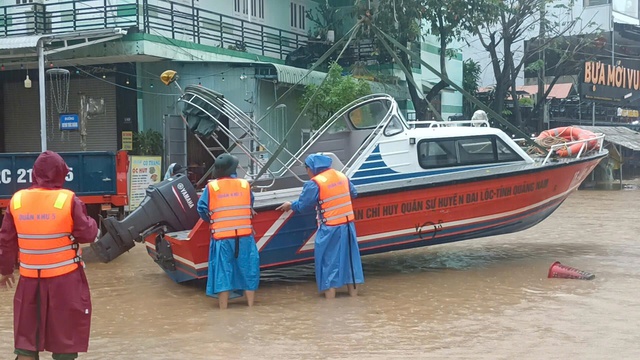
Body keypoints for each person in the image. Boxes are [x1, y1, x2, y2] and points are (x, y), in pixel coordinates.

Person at [0, 151, 98, 360]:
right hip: (65, 282)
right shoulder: (68, 200)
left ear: (34, 174)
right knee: (65, 343)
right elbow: (87, 234)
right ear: (61, 174)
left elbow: (6, 240)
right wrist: (93, 223)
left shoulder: (17, 201)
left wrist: (5, 271)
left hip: (29, 283)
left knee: (27, 343)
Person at [276, 153, 364, 299]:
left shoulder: (315, 183)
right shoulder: (342, 176)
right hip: (348, 226)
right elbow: (353, 193)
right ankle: (353, 298)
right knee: (351, 261)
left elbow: (304, 205)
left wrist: (291, 205)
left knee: (328, 262)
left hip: (330, 228)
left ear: (311, 168)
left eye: (307, 169)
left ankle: (330, 303)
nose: (307, 173)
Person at [196, 153, 259, 309]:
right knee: (248, 270)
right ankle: (250, 306)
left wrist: (213, 220)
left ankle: (224, 310)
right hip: (244, 237)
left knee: (222, 274)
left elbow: (201, 209)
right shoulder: (245, 185)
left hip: (222, 238)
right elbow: (249, 203)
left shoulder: (212, 187)